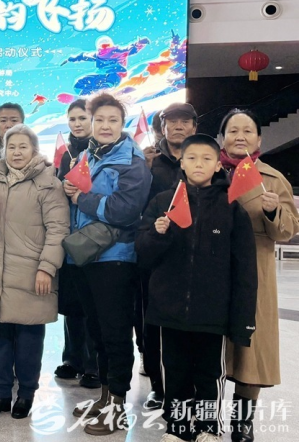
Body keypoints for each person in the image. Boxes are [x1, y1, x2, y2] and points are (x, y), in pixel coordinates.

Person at [137, 134, 257, 442]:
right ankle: (178, 428)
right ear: (182, 162)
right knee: (173, 372)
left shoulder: (232, 207)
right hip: (169, 309)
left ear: (218, 165)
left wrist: (243, 320)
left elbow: (244, 268)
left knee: (209, 374)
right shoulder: (163, 202)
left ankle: (209, 428)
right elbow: (143, 254)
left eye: (206, 158)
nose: (198, 164)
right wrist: (157, 234)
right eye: (191, 158)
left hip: (212, 312)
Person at [63, 93, 151, 435]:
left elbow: (124, 210)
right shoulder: (87, 155)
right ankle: (103, 397)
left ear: (122, 124)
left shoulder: (132, 161)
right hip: (86, 255)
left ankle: (118, 406)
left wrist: (82, 199)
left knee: (115, 334)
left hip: (115, 258)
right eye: (99, 119)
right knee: (96, 332)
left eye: (113, 120)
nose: (105, 126)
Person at [0, 124, 69, 420]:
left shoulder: (49, 184)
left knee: (28, 342)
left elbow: (58, 229)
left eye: (23, 147)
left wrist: (47, 268)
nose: (16, 152)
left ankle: (26, 394)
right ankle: (0, 394)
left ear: (35, 150)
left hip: (31, 275)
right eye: (11, 147)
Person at [219, 109, 299, 442]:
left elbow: (288, 229)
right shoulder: (207, 171)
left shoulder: (272, 178)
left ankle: (242, 423)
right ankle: (204, 417)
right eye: (233, 130)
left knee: (250, 353)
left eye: (247, 131)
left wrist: (272, 210)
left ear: (259, 138)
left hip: (255, 275)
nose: (240, 136)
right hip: (210, 271)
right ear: (222, 138)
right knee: (207, 346)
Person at [139, 102, 198, 410]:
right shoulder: (149, 161)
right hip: (156, 252)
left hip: (193, 254)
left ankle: (189, 386)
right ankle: (157, 387)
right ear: (162, 128)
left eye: (184, 121)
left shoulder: (201, 158)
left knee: (191, 321)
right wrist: (143, 169)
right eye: (171, 121)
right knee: (153, 322)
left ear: (194, 127)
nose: (178, 126)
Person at [54, 98, 99, 390]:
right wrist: (63, 185)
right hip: (70, 236)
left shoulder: (102, 152)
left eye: (82, 118)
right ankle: (72, 359)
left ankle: (94, 365)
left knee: (93, 303)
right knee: (72, 303)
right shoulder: (66, 154)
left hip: (94, 236)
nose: (77, 124)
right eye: (72, 119)